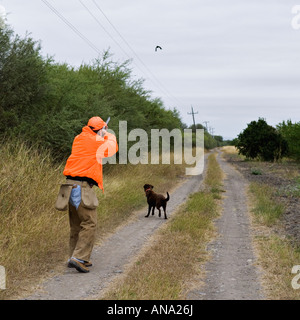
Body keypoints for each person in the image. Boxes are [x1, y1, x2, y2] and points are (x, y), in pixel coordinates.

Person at [62, 116, 118, 273]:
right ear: (99, 129)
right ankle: (79, 258)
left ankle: (74, 257)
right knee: (89, 222)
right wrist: (107, 133)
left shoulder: (78, 138)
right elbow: (112, 148)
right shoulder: (97, 141)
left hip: (68, 186)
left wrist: (100, 132)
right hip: (81, 187)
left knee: (76, 225)